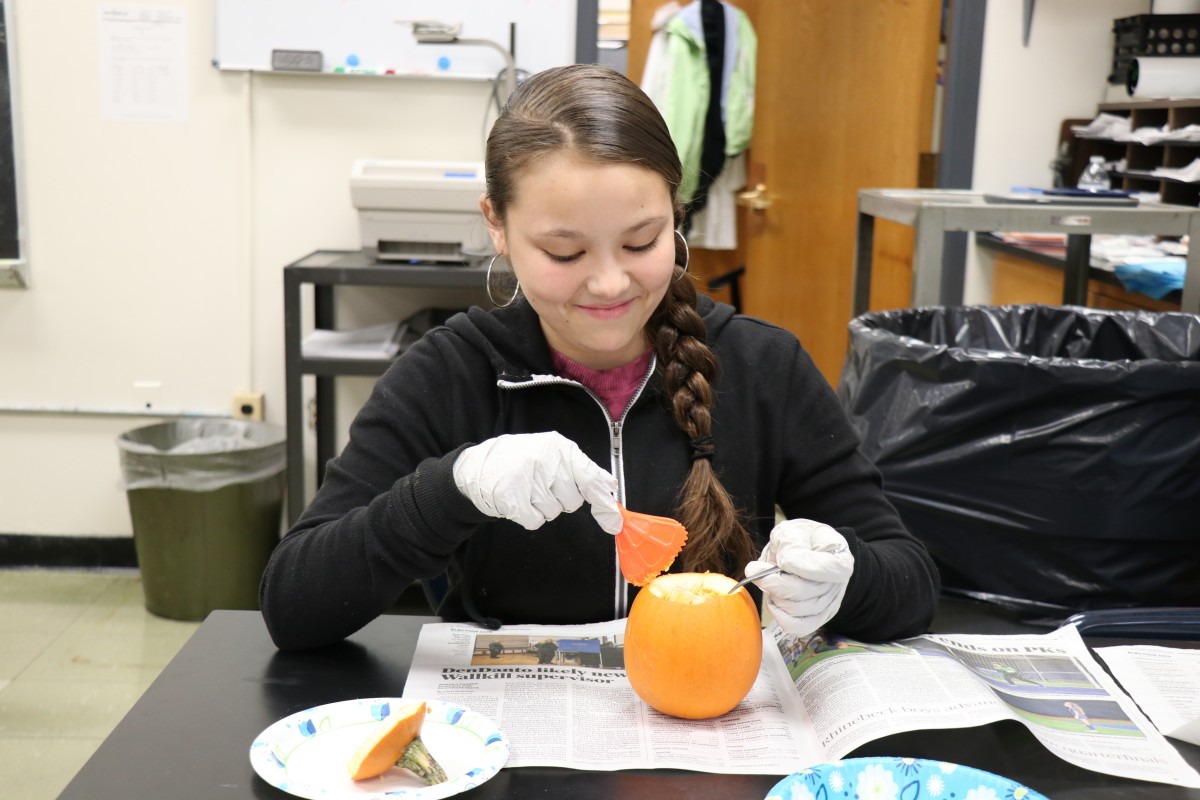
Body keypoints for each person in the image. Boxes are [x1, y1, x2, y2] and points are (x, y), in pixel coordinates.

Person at [259, 64, 940, 651]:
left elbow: (911, 577)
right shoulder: (450, 374)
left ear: (675, 214)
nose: (611, 283)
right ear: (496, 223)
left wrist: (847, 581)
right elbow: (294, 605)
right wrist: (450, 488)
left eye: (642, 242)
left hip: (711, 719)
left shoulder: (765, 366)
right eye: (565, 252)